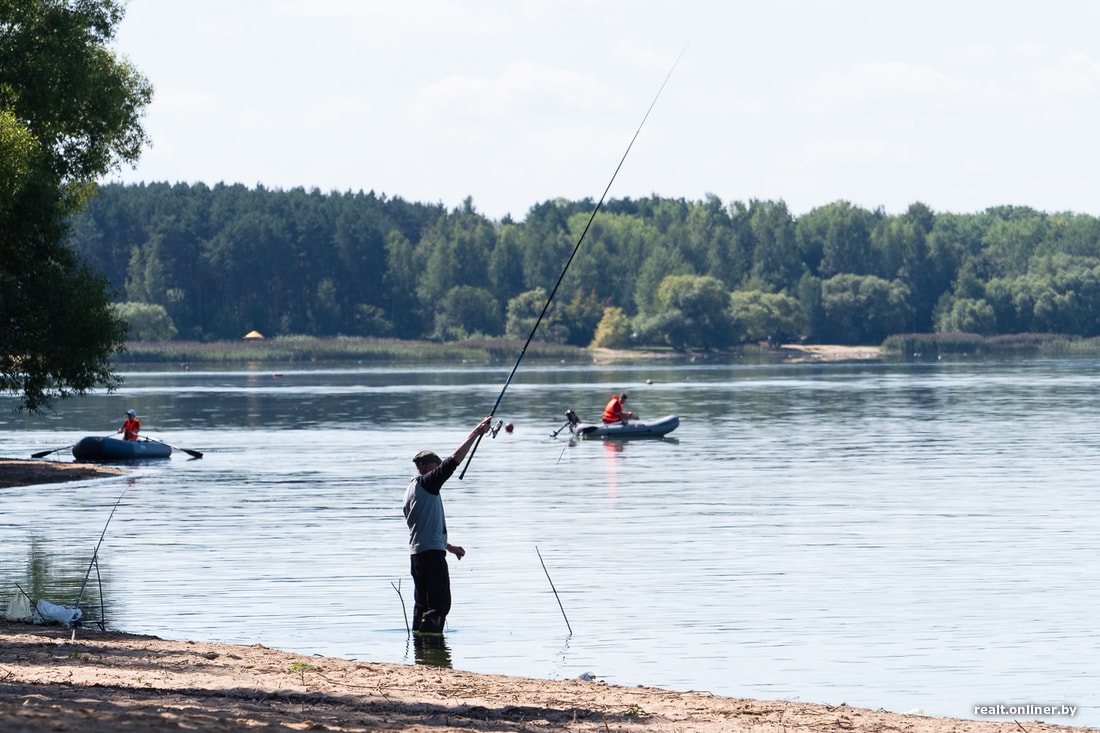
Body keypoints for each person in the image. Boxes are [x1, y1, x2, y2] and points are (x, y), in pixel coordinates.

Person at [403, 415, 493, 634]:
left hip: (418, 556)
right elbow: (453, 460)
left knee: (422, 606)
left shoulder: (411, 491)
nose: (439, 470)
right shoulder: (427, 483)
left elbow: (424, 529)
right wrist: (476, 432)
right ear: (426, 467)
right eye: (436, 466)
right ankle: (433, 647)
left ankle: (420, 648)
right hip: (431, 556)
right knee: (439, 605)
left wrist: (449, 547)